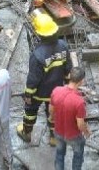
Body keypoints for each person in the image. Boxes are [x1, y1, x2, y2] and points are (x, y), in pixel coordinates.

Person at [17, 12, 72, 146]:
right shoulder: (63, 46)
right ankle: (54, 138)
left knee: (30, 111)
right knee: (53, 113)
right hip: (56, 90)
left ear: (39, 33)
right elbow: (68, 68)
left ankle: (27, 133)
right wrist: (67, 85)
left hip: (39, 93)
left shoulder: (37, 55)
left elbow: (33, 79)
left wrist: (28, 94)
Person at [50, 67, 90, 170]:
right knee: (77, 156)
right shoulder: (79, 102)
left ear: (69, 77)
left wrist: (54, 119)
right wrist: (86, 132)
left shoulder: (56, 91)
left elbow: (51, 110)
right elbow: (80, 124)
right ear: (81, 81)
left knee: (59, 155)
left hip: (58, 131)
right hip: (74, 136)